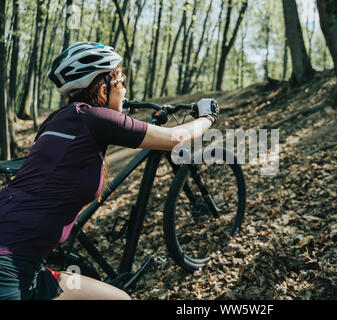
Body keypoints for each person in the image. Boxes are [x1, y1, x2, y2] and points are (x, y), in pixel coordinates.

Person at [0, 42, 219, 300]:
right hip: (10, 268)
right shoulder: (95, 118)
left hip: (26, 263)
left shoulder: (60, 118)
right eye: (120, 80)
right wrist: (208, 117)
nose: (124, 88)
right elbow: (175, 137)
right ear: (103, 88)